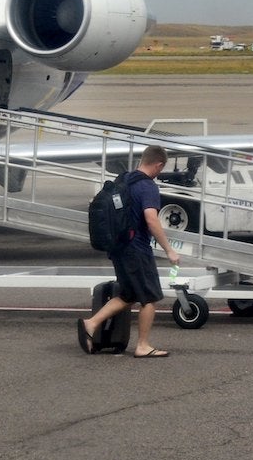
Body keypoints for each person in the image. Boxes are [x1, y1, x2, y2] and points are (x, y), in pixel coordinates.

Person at [77, 145, 182, 358]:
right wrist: (169, 250)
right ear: (159, 164)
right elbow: (151, 219)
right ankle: (143, 345)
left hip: (120, 248)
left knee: (128, 294)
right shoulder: (148, 186)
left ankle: (91, 323)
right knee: (150, 297)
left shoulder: (124, 180)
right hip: (137, 250)